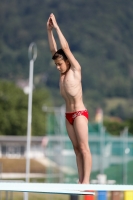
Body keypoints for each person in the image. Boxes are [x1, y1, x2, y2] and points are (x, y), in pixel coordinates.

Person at [47, 13, 92, 184]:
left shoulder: (75, 70)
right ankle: (80, 180)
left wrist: (57, 27)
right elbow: (54, 50)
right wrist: (48, 30)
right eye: (56, 65)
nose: (58, 67)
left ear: (67, 61)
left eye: (60, 64)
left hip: (79, 114)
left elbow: (64, 48)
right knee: (76, 149)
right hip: (68, 116)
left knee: (83, 148)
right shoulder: (62, 75)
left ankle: (86, 180)